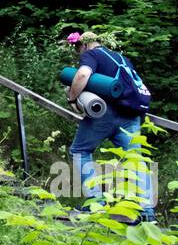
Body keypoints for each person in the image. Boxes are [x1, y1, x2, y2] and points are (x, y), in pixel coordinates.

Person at [64, 30, 156, 223]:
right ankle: (146, 210)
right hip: (131, 115)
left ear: (84, 45)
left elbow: (82, 75)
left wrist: (72, 98)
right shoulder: (120, 57)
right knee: (134, 158)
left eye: (77, 49)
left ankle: (95, 201)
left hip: (105, 112)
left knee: (80, 150)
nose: (78, 53)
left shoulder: (92, 54)